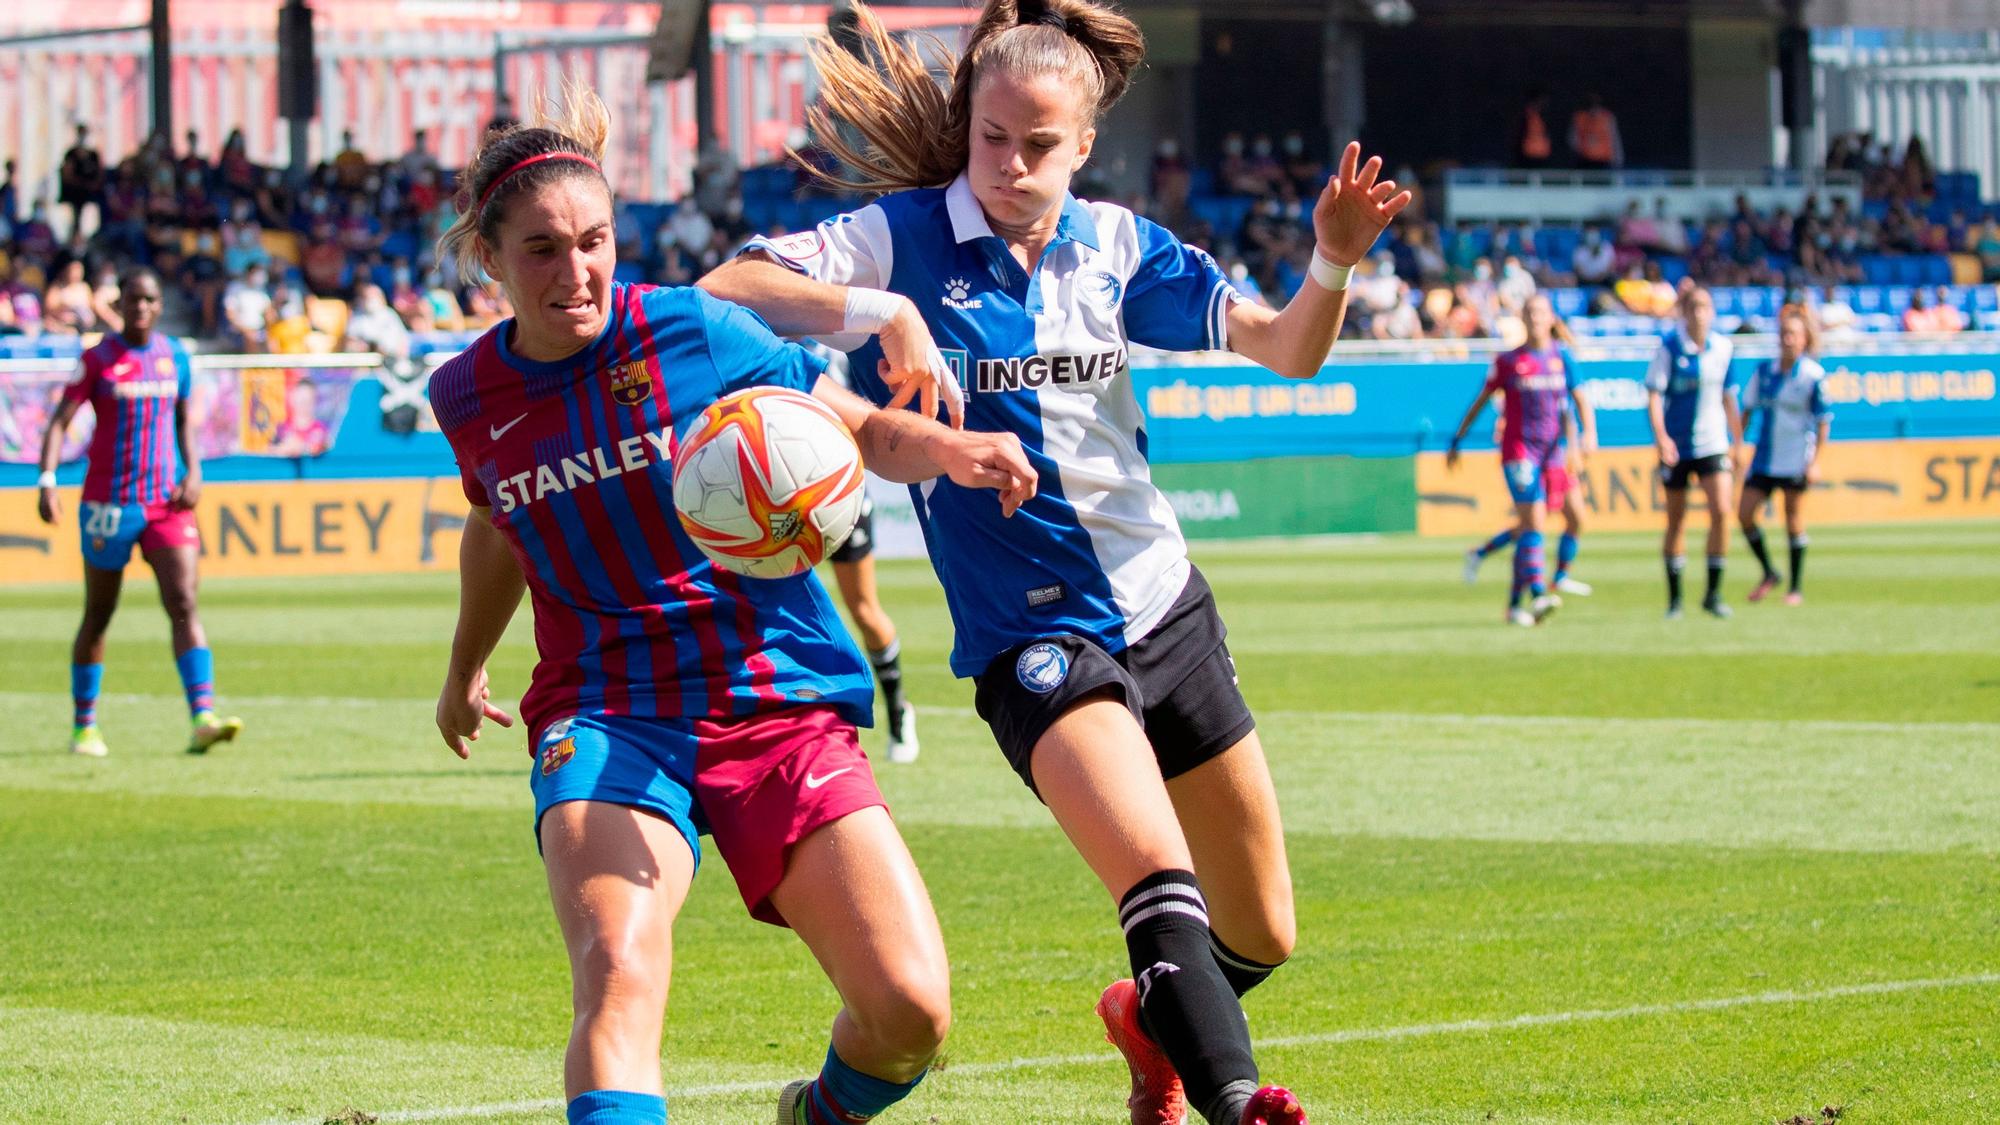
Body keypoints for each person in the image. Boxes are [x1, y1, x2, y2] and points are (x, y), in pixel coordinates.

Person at [699, 3, 1409, 1121]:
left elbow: (1285, 350)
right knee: (1155, 884)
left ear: (1084, 147)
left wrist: (1329, 257)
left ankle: (1147, 1019)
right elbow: (722, 293)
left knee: (1262, 930)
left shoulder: (1122, 246)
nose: (1011, 166)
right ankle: (1234, 1101)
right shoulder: (897, 237)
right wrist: (879, 310)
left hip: (1164, 608)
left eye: (1040, 146)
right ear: (967, 126)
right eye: (992, 139)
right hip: (1031, 637)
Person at [427, 83, 1037, 1125]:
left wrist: (950, 449)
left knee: (908, 1012)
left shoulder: (692, 332)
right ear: (489, 258)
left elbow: (847, 426)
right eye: (540, 250)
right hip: (606, 710)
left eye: (594, 241)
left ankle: (819, 1114)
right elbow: (495, 524)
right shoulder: (464, 396)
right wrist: (462, 667)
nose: (576, 272)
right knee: (618, 967)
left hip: (774, 698)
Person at [33, 269, 244, 758]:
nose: (143, 307)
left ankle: (203, 717)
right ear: (121, 303)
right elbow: (59, 423)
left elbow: (183, 421)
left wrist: (194, 471)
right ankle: (84, 725)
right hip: (108, 504)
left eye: (150, 299)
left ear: (158, 304)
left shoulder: (175, 358)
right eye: (134, 299)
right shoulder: (97, 359)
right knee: (100, 614)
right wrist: (47, 480)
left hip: (165, 503)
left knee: (184, 602)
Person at [1445, 294, 1594, 624]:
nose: (1536, 318)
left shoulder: (1562, 358)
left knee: (1574, 516)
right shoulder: (1509, 361)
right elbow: (1481, 401)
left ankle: (1517, 596)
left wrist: (1586, 437)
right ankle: (1539, 594)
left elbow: (1580, 401)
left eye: (1540, 312)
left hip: (1552, 453)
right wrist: (1458, 440)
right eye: (1530, 313)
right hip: (1520, 451)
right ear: (1523, 319)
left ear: (1552, 318)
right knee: (1534, 523)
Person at [1646, 285, 1743, 619]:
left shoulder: (1724, 348)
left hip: (1713, 443)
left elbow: (1730, 399)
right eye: (1693, 307)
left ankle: (1713, 594)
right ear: (1684, 312)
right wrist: (1661, 437)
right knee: (1676, 519)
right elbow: (1655, 396)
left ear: (1712, 311)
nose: (1699, 313)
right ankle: (1675, 600)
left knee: (1721, 511)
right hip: (1677, 445)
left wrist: (1738, 442)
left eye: (1705, 306)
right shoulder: (1670, 348)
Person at [1738, 304, 1831, 606]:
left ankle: (1796, 587)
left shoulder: (1812, 376)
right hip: (1765, 457)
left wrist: (1815, 462)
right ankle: (1768, 571)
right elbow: (1747, 410)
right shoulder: (1764, 371)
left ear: (1804, 339)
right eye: (1783, 334)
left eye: (1792, 334)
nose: (1786, 339)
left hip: (1795, 458)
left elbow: (1823, 422)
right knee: (1744, 514)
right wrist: (1738, 443)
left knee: (1793, 520)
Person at [58, 124, 106, 243]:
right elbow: (66, 173)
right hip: (74, 194)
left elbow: (99, 173)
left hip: (91, 193)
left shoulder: (93, 154)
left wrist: (93, 185)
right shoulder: (71, 154)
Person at [1569, 93, 1623, 170]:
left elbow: (1615, 139)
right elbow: (1573, 140)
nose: (1594, 104)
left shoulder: (1607, 117)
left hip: (1604, 160)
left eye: (1596, 101)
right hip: (1584, 160)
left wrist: (1618, 158)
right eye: (1591, 101)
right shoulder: (1579, 117)